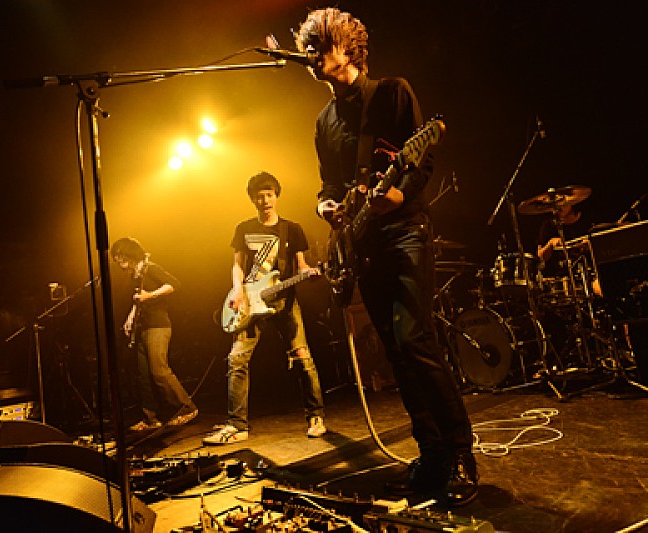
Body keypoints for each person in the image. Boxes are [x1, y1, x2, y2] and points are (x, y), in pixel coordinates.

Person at [295, 7, 478, 506]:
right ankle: (432, 457)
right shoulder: (323, 121)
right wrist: (324, 206)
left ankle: (460, 456)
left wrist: (399, 193)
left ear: (347, 47)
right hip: (364, 245)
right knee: (395, 352)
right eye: (308, 46)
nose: (310, 55)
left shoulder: (393, 93)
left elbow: (422, 159)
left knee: (414, 339)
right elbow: (329, 185)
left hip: (405, 231)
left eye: (319, 45)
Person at [203, 172, 327, 445]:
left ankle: (315, 418)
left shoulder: (292, 229)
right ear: (252, 199)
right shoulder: (243, 228)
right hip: (250, 300)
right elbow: (237, 264)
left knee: (302, 357)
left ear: (276, 196)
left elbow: (301, 266)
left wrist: (309, 273)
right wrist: (238, 291)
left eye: (269, 195)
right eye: (259, 196)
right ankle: (237, 425)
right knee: (237, 359)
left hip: (284, 301)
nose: (265, 200)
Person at [111, 237, 198, 431]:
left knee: (159, 371)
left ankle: (187, 408)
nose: (116, 260)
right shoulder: (136, 276)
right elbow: (138, 301)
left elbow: (174, 284)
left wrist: (150, 295)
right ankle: (150, 417)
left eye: (119, 255)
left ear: (129, 254)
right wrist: (130, 319)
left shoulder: (150, 268)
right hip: (143, 327)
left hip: (158, 326)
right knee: (144, 375)